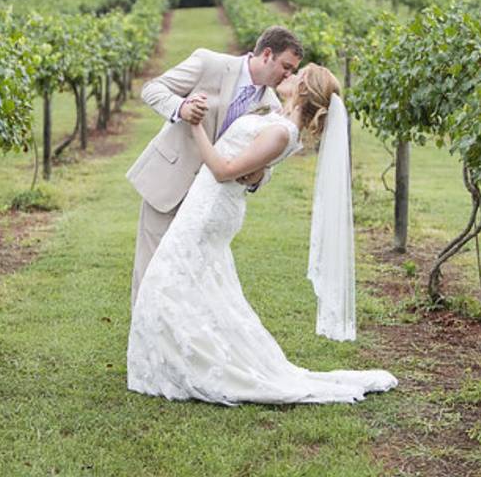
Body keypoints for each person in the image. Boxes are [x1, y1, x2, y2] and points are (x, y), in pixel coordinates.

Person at [127, 64, 397, 404]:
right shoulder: (279, 122)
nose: (290, 75)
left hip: (210, 209)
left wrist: (195, 126)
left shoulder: (283, 132)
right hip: (209, 204)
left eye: (298, 75)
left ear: (303, 90)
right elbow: (249, 165)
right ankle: (182, 353)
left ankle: (189, 360)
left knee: (166, 280)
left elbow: (224, 170)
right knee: (193, 283)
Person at [126, 26, 303, 308]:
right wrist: (181, 108)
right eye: (286, 66)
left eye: (293, 70)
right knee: (150, 272)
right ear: (267, 54)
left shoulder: (272, 107)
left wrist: (259, 176)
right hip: (169, 182)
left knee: (191, 277)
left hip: (209, 203)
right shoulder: (210, 63)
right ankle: (142, 347)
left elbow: (266, 162)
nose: (288, 75)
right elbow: (152, 89)